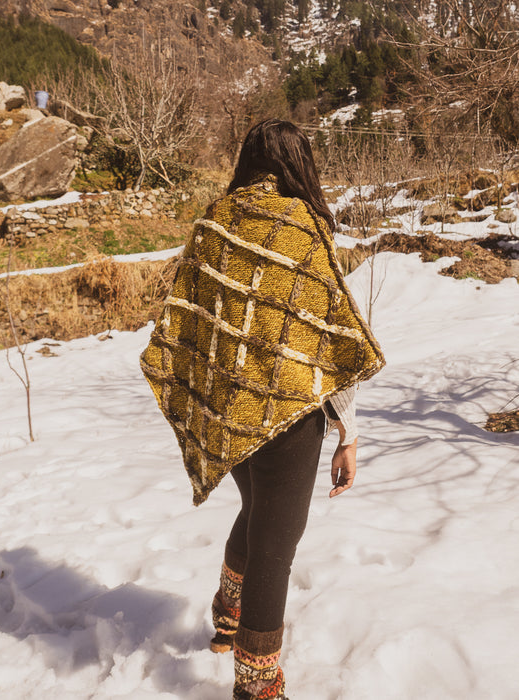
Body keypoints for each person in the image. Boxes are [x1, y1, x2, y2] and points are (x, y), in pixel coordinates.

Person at [141, 119, 384, 700]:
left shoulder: (214, 222)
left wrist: (209, 400)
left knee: (258, 514)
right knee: (277, 542)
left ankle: (229, 613)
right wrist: (348, 432)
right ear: (299, 164)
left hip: (229, 410)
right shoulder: (303, 227)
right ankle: (257, 683)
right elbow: (328, 340)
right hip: (290, 415)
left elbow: (196, 322)